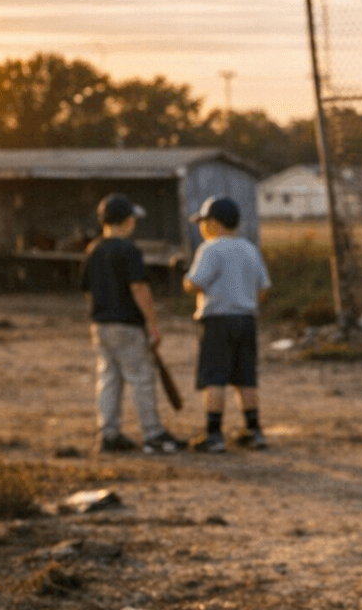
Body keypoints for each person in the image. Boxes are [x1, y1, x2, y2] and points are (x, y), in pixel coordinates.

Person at [81, 193, 185, 454]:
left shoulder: (93, 250)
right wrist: (152, 324)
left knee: (109, 378)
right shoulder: (129, 250)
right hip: (126, 324)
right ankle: (153, 434)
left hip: (99, 323)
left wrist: (97, 314)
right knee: (141, 377)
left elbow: (88, 290)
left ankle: (108, 433)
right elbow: (139, 287)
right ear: (127, 222)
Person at [182, 196, 272, 452]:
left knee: (214, 378)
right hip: (246, 319)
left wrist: (184, 276)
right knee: (245, 377)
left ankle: (213, 435)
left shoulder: (211, 249)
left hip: (217, 320)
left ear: (213, 222)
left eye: (203, 221)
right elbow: (263, 289)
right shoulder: (249, 248)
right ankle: (254, 431)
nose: (201, 227)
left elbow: (195, 284)